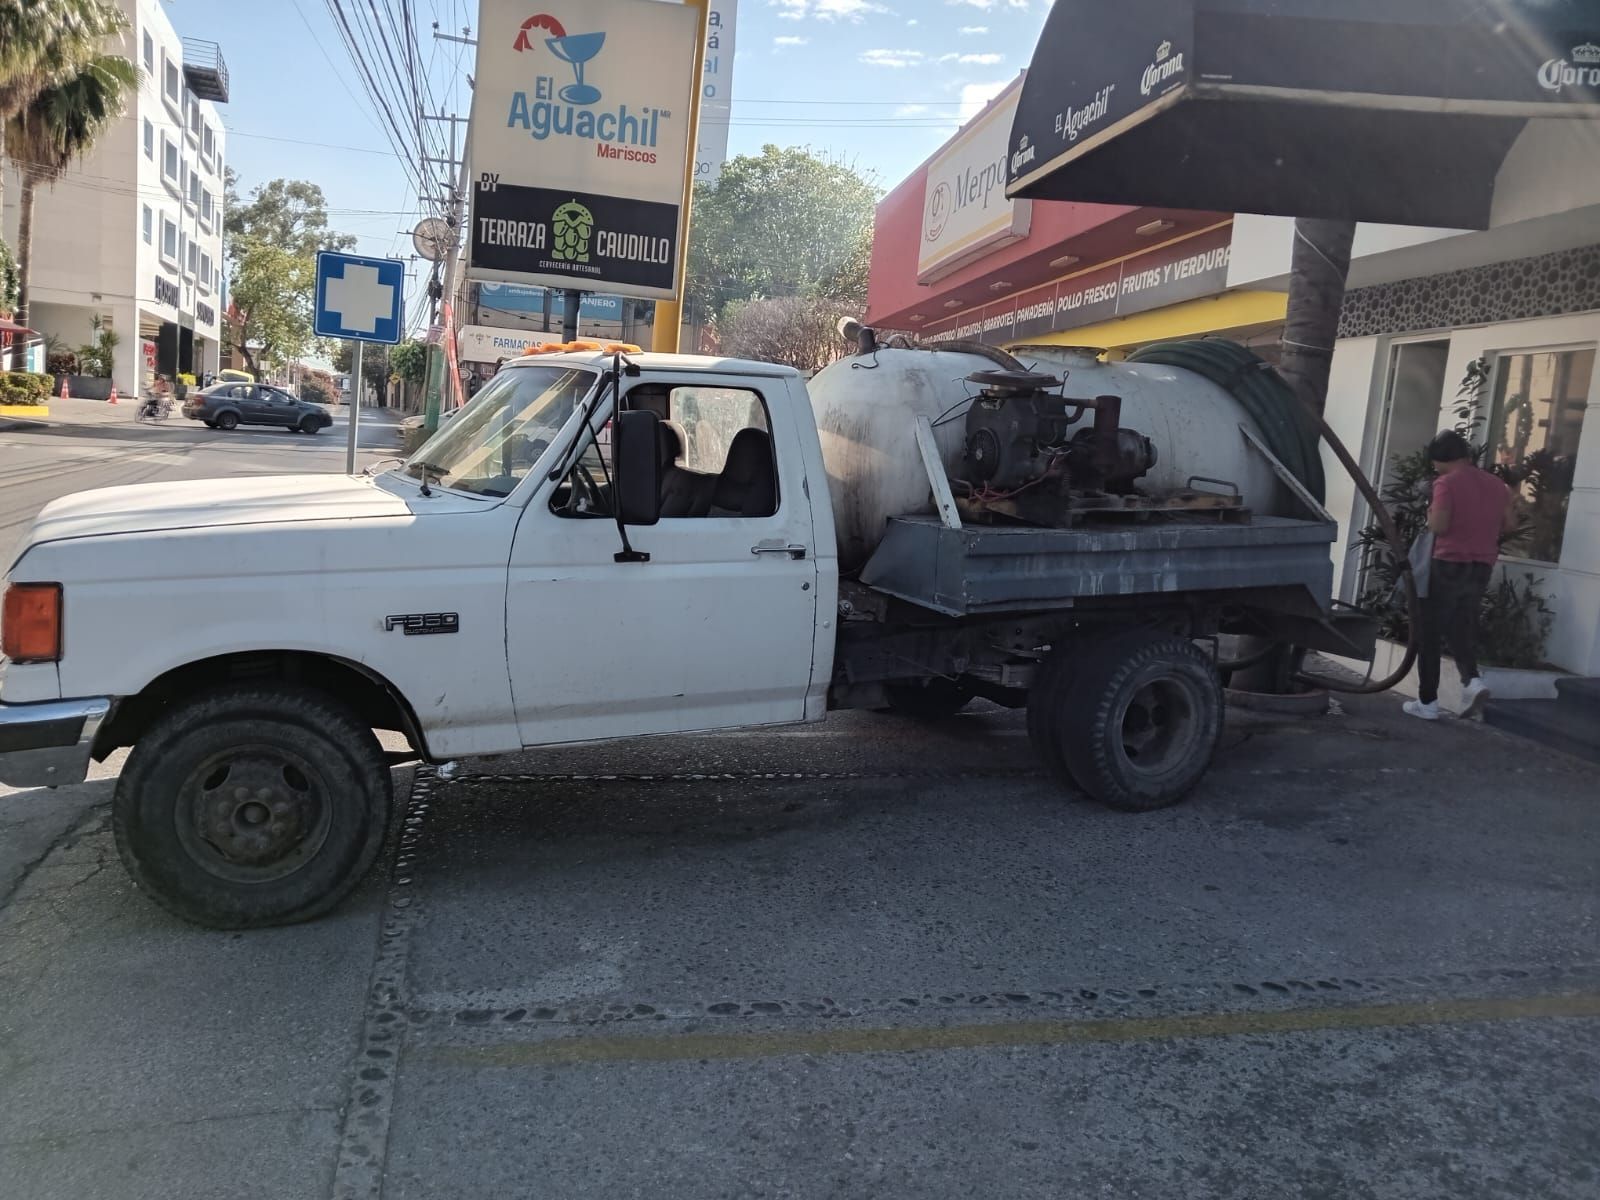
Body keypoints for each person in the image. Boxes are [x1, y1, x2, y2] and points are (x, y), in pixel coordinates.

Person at [1403, 430, 1514, 722]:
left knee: (1430, 632)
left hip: (1448, 563)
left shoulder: (1445, 483)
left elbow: (1438, 526)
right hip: (1481, 565)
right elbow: (1509, 524)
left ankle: (1427, 702)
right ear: (1466, 456)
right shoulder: (1497, 485)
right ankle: (1472, 681)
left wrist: (1430, 512)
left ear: (1439, 460)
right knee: (1460, 625)